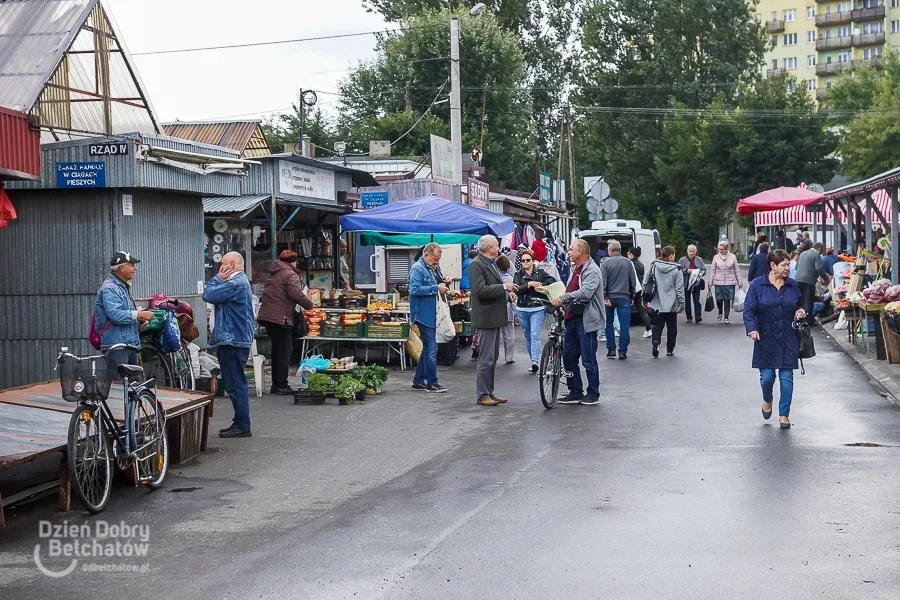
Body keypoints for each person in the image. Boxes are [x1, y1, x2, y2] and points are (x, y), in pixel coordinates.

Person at [743, 249, 807, 429]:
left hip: (788, 336)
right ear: (773, 266)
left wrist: (800, 311)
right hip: (765, 337)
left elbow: (799, 304)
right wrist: (752, 329)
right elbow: (749, 310)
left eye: (788, 264)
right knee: (767, 378)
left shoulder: (792, 285)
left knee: (787, 378)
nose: (788, 268)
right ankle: (767, 399)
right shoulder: (757, 285)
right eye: (784, 265)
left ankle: (784, 414)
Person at [203, 252, 256, 438]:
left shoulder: (235, 283)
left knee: (235, 382)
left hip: (233, 339)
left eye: (223, 264)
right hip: (234, 338)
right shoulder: (239, 282)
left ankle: (242, 424)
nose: (220, 268)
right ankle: (240, 422)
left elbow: (208, 295)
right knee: (235, 381)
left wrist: (217, 278)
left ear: (231, 264)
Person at [553, 239, 606, 405]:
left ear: (581, 252)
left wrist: (563, 298)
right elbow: (571, 289)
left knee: (588, 359)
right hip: (572, 318)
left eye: (571, 250)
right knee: (568, 357)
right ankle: (575, 391)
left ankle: (593, 393)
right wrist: (564, 304)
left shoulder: (592, 270)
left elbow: (586, 292)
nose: (568, 252)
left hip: (586, 320)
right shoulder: (574, 268)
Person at [469, 235, 517, 406]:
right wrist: (504, 287)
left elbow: (491, 288)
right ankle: (482, 395)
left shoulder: (490, 263)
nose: (499, 248)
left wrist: (506, 294)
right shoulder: (476, 264)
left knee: (493, 356)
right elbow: (480, 290)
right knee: (486, 358)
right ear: (489, 248)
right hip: (486, 317)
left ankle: (489, 392)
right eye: (496, 245)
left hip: (495, 316)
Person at [257, 250, 314, 395]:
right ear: (293, 262)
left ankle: (277, 384)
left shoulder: (274, 273)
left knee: (278, 351)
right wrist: (310, 304)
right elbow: (295, 294)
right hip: (280, 318)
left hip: (268, 317)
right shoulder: (289, 274)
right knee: (284, 351)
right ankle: (281, 385)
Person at [93, 251, 155, 368]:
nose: (135, 268)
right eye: (132, 265)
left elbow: (122, 313)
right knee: (121, 384)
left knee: (132, 384)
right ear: (122, 268)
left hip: (127, 345)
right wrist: (138, 315)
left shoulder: (121, 286)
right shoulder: (109, 289)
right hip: (117, 347)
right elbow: (115, 314)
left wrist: (138, 322)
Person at [408, 242, 450, 393]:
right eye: (434, 259)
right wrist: (435, 288)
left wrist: (445, 282)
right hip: (422, 314)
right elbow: (414, 289)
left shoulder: (433, 267)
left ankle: (418, 381)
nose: (437, 262)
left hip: (432, 312)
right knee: (432, 347)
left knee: (428, 348)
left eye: (438, 260)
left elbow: (438, 282)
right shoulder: (418, 269)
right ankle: (432, 383)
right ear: (426, 255)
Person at [513, 248, 556, 373]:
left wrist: (541, 284)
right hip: (522, 308)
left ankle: (535, 362)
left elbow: (552, 280)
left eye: (528, 260)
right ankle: (534, 361)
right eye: (523, 260)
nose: (525, 262)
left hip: (538, 307)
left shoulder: (540, 272)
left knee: (534, 334)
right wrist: (528, 285)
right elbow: (516, 289)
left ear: (533, 261)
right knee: (528, 336)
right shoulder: (518, 274)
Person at [644, 245, 685, 357]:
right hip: (672, 303)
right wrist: (681, 303)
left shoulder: (653, 266)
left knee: (657, 325)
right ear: (671, 256)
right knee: (672, 327)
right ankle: (670, 349)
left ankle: (656, 342)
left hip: (657, 302)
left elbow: (646, 281)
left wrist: (645, 298)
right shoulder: (677, 269)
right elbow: (679, 288)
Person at [600, 240, 636, 360]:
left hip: (610, 297)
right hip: (624, 297)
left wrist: (605, 296)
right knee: (624, 325)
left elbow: (603, 282)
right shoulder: (628, 263)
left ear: (610, 251)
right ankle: (622, 351)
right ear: (620, 250)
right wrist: (632, 296)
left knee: (608, 324)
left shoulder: (605, 263)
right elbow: (632, 281)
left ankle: (611, 349)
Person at [708, 239, 743, 324]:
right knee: (719, 299)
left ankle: (726, 317)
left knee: (727, 300)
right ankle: (720, 311)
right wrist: (710, 282)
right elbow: (713, 270)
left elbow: (736, 270)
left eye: (722, 249)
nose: (720, 251)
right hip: (718, 281)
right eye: (719, 249)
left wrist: (740, 282)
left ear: (726, 249)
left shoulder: (732, 257)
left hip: (729, 282)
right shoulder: (716, 257)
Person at [795, 241, 830, 324]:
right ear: (819, 249)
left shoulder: (802, 254)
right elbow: (818, 268)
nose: (821, 254)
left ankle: (801, 319)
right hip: (809, 280)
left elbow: (797, 267)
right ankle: (808, 321)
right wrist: (825, 278)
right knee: (808, 301)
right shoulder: (816, 255)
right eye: (821, 252)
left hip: (798, 279)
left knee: (801, 300)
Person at [628, 246, 653, 339]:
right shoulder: (640, 264)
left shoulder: (630, 264)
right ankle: (648, 328)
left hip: (633, 289)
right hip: (640, 289)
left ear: (632, 254)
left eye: (628, 253)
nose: (627, 255)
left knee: (626, 310)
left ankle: (623, 329)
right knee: (641, 310)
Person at [496, 255, 516, 365]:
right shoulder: (509, 278)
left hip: (495, 306)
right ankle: (509, 357)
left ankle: (494, 355)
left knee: (494, 333)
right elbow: (513, 295)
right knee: (509, 334)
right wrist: (515, 312)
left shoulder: (494, 276)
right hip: (507, 306)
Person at [678, 245, 706, 324]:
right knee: (687, 300)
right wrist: (687, 271)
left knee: (696, 300)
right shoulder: (682, 260)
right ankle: (689, 317)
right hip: (686, 283)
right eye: (690, 251)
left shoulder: (699, 260)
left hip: (696, 283)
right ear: (687, 251)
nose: (691, 253)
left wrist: (698, 273)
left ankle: (698, 316)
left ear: (695, 252)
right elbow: (679, 270)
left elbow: (704, 270)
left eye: (693, 251)